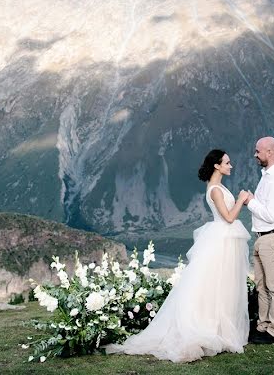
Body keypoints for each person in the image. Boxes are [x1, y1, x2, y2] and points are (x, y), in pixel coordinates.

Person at [105, 149, 252, 363]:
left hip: (222, 239)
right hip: (222, 240)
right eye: (228, 163)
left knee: (221, 285)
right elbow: (229, 217)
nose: (231, 166)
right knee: (218, 284)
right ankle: (210, 329)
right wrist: (241, 199)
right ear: (217, 166)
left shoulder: (216, 187)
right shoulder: (216, 191)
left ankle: (219, 329)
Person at [244, 136, 274, 344]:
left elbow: (270, 215)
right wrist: (254, 200)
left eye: (258, 151)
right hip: (262, 238)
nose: (255, 155)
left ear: (270, 152)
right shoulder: (267, 176)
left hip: (272, 237)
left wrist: (251, 201)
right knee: (261, 286)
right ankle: (262, 326)